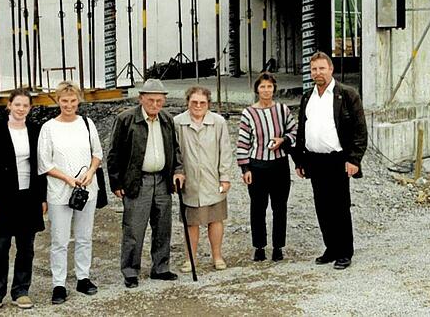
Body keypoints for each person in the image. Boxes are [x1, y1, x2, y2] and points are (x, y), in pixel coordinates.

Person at [294, 51, 367, 270]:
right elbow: (302, 129)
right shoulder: (308, 96)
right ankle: (331, 248)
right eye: (314, 69)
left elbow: (360, 131)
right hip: (315, 161)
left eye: (322, 68)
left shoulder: (346, 94)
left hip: (338, 160)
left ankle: (345, 252)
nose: (318, 73)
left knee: (340, 207)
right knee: (322, 207)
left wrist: (354, 159)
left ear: (331, 69)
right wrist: (300, 161)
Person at [107, 78, 182, 288]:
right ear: (141, 98)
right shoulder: (126, 119)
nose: (155, 105)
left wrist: (178, 171)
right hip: (137, 180)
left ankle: (161, 268)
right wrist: (116, 183)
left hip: (162, 180)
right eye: (151, 100)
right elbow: (114, 153)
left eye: (160, 101)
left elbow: (175, 150)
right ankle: (130, 271)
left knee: (163, 226)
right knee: (134, 228)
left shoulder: (167, 119)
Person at [0, 89, 46, 316]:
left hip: (28, 197)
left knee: (26, 247)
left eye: (25, 105)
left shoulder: (36, 131)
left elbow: (42, 167)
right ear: (9, 105)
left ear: (30, 108)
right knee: (0, 246)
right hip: (3, 199)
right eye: (17, 104)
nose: (21, 109)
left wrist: (42, 198)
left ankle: (21, 291)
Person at [37, 81, 103, 305]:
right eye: (64, 101)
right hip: (59, 191)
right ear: (57, 101)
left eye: (73, 100)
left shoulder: (87, 123)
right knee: (60, 239)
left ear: (78, 101)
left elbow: (97, 153)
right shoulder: (48, 128)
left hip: (86, 190)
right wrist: (67, 178)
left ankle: (83, 277)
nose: (68, 105)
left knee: (84, 236)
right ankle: (59, 283)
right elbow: (44, 162)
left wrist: (92, 172)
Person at [236, 72, 297, 262]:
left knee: (280, 207)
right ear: (257, 89)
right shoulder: (249, 113)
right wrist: (245, 169)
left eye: (269, 86)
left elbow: (295, 131)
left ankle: (278, 246)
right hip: (257, 165)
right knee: (258, 207)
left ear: (274, 89)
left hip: (279, 165)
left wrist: (284, 140)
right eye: (262, 87)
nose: (266, 90)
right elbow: (243, 142)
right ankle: (259, 246)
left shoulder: (282, 110)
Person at [172, 86, 235, 272]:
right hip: (189, 181)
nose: (198, 106)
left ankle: (217, 256)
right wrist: (177, 173)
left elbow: (225, 151)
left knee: (215, 219)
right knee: (191, 222)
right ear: (187, 102)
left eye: (202, 103)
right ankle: (190, 258)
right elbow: (174, 153)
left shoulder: (219, 122)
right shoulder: (177, 123)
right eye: (194, 102)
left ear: (208, 104)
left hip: (212, 179)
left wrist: (225, 177)